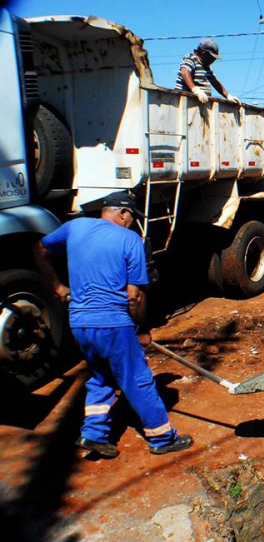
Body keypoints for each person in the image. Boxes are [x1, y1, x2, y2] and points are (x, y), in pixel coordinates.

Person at [33, 191, 193, 457]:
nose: (132, 223)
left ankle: (93, 434)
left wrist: (58, 286)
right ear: (122, 213)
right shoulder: (131, 240)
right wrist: (142, 329)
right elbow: (134, 296)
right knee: (138, 378)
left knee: (101, 375)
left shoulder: (75, 226)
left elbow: (39, 249)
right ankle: (162, 437)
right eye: (132, 217)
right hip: (113, 324)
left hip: (80, 323)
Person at [174, 38, 240, 106]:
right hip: (186, 101)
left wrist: (228, 96)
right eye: (212, 57)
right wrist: (195, 89)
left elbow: (214, 81)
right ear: (203, 53)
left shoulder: (206, 66)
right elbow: (184, 72)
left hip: (200, 104)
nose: (214, 60)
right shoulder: (191, 58)